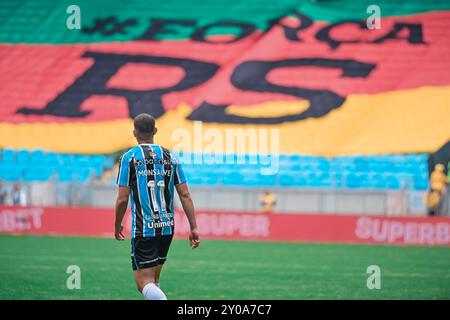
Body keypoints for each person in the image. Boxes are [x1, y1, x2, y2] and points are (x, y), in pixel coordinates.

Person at [114, 113, 200, 300]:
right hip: (167, 227)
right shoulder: (171, 157)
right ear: (155, 131)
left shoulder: (129, 158)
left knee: (143, 283)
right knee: (154, 279)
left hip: (144, 229)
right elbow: (185, 194)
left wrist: (117, 224)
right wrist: (193, 226)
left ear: (134, 132)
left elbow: (122, 199)